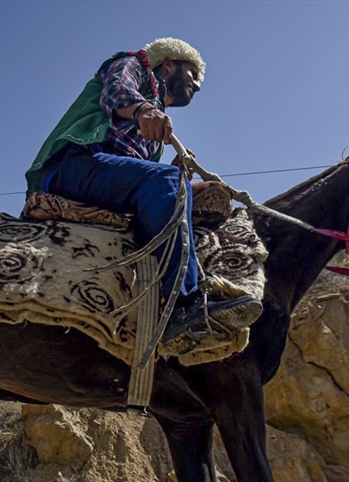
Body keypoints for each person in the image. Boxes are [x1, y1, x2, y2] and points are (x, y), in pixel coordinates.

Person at [26, 38, 262, 348]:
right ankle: (182, 302)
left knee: (174, 182)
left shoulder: (154, 116)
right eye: (193, 74)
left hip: (101, 171)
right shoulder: (133, 65)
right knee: (167, 181)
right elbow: (116, 92)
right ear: (168, 64)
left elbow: (135, 171)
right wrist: (143, 111)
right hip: (74, 164)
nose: (198, 86)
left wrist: (175, 167)